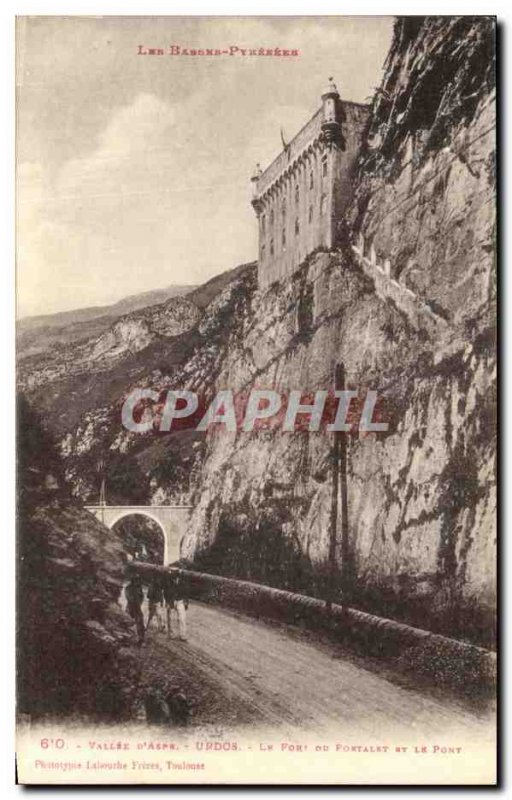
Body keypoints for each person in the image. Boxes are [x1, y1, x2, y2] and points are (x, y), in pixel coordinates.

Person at [163, 569, 189, 641]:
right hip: (171, 600)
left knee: (182, 618)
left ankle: (183, 635)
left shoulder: (183, 581)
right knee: (171, 618)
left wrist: (186, 602)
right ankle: (171, 634)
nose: (176, 576)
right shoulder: (169, 581)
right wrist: (167, 602)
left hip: (180, 601)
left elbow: (186, 592)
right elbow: (165, 591)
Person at [125, 574, 145, 645]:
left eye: (138, 580)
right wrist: (134, 602)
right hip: (130, 606)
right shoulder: (128, 588)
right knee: (127, 622)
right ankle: (126, 637)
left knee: (140, 622)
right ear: (133, 581)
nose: (137, 581)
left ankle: (141, 639)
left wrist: (140, 602)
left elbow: (142, 596)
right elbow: (128, 597)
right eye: (136, 580)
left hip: (137, 607)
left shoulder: (139, 588)